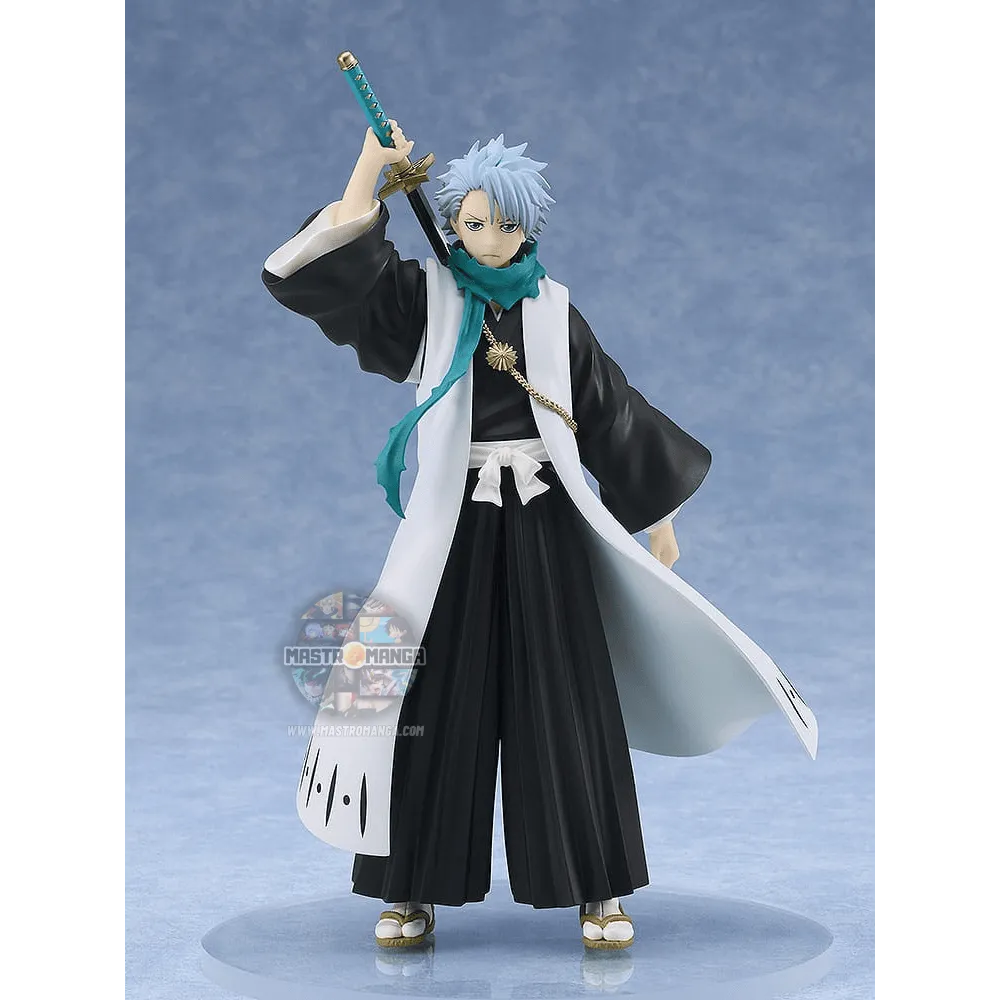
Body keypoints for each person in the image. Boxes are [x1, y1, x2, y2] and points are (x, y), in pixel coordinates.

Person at [263, 125, 815, 951]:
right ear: (453, 224)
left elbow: (614, 415)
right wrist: (370, 168)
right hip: (452, 525)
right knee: (429, 695)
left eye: (506, 224)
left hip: (545, 521)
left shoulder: (555, 313)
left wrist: (659, 518)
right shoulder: (426, 298)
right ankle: (409, 885)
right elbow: (344, 277)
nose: (489, 239)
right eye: (473, 224)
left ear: (529, 228)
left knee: (567, 699)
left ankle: (598, 886)